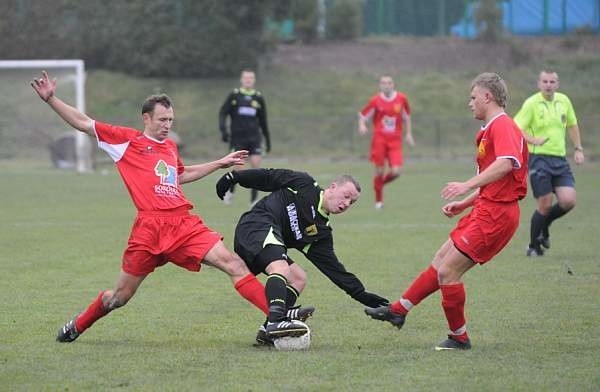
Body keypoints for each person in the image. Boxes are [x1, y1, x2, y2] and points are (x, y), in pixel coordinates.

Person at [30, 71, 305, 343]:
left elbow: (180, 176)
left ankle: (276, 317)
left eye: (171, 120)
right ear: (146, 118)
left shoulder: (170, 147)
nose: (167, 125)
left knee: (233, 263)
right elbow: (84, 122)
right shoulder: (127, 141)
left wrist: (219, 163)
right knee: (118, 298)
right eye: (162, 119)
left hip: (183, 224)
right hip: (149, 228)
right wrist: (52, 99)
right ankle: (78, 325)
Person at [365, 72, 529, 351]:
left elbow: (506, 164)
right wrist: (466, 203)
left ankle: (459, 337)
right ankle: (398, 310)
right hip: (486, 207)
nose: (470, 103)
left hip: (497, 215)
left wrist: (466, 186)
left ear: (488, 97)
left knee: (448, 272)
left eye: (473, 97)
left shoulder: (503, 126)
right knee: (441, 259)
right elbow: (496, 178)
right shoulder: (490, 129)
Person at [215, 168, 390, 346]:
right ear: (333, 187)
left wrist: (362, 294)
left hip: (267, 243)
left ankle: (267, 330)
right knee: (281, 267)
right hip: (255, 225)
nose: (346, 204)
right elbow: (268, 177)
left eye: (351, 202)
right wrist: (234, 177)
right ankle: (277, 321)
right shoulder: (304, 184)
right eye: (346, 196)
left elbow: (334, 270)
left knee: (298, 278)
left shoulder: (320, 233)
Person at [513, 69, 585, 257]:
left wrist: (578, 149)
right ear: (539, 84)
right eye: (545, 81)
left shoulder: (564, 101)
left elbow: (572, 124)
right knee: (544, 204)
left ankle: (546, 225)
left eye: (552, 82)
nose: (548, 85)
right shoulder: (531, 103)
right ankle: (533, 247)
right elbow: (515, 128)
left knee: (568, 200)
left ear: (557, 84)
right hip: (539, 159)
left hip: (559, 160)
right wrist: (532, 140)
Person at [358, 75, 415, 209]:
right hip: (379, 139)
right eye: (383, 83)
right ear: (380, 85)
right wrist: (362, 125)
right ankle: (379, 202)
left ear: (393, 84)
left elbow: (407, 117)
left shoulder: (402, 99)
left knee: (396, 172)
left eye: (389, 83)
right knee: (379, 171)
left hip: (395, 140)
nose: (386, 85)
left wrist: (408, 134)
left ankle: (379, 184)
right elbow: (362, 115)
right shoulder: (375, 101)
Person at [218, 69, 271, 206]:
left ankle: (253, 200)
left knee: (255, 168)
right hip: (238, 139)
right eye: (246, 78)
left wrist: (267, 139)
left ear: (254, 80)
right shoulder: (235, 96)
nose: (248, 80)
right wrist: (223, 130)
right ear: (241, 80)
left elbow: (263, 121)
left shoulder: (258, 98)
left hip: (255, 139)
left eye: (251, 78)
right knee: (239, 169)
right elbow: (223, 113)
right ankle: (230, 190)